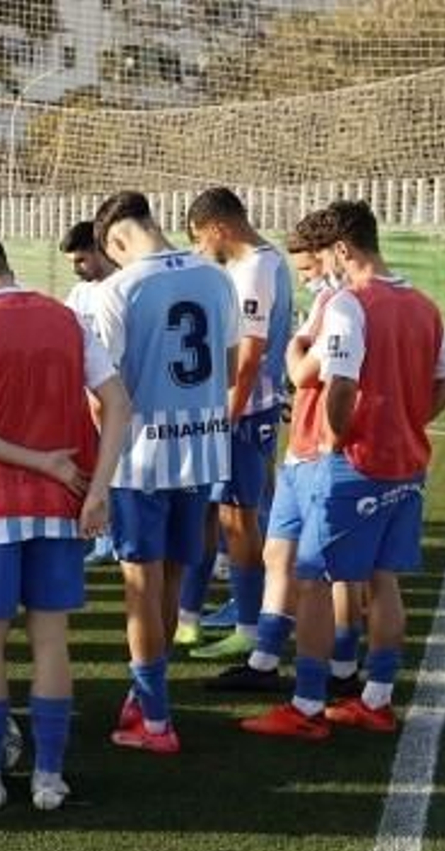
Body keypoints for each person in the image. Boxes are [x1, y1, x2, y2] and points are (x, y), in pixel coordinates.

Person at [242, 200, 445, 739]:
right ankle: (376, 698)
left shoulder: (350, 303)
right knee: (382, 579)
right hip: (405, 464)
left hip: (353, 465)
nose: (325, 266)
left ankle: (307, 706)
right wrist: (410, 421)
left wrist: (337, 437)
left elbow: (339, 384)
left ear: (342, 249)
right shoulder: (423, 304)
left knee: (314, 580)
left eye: (326, 256)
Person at [0, 231, 129, 809]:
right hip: (62, 504)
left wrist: (39, 461)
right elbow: (119, 403)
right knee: (51, 641)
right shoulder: (67, 318)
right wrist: (98, 490)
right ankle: (49, 777)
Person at [91, 191, 238, 755]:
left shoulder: (119, 289)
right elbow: (228, 368)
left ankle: (155, 722)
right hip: (202, 452)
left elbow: (103, 392)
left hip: (142, 459)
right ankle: (146, 697)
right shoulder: (217, 277)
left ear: (117, 241)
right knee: (171, 582)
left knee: (140, 589)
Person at [209, 213, 364, 695]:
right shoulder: (328, 299)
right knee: (280, 552)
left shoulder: (348, 303)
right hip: (301, 446)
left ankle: (342, 669)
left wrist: (297, 353)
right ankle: (264, 659)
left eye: (308, 268)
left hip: (325, 450)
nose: (304, 278)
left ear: (334, 253)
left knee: (334, 568)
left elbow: (303, 370)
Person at [177, 188, 294, 661]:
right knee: (207, 512)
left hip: (244, 414)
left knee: (237, 517)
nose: (200, 248)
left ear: (219, 227)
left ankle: (248, 625)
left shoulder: (257, 268)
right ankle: (186, 619)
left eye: (200, 237)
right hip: (230, 410)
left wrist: (227, 414)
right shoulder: (252, 265)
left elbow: (248, 358)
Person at [60, 220, 119, 567]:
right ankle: (104, 538)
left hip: (119, 401)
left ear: (100, 250)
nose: (77, 269)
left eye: (81, 260)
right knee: (96, 470)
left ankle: (122, 537)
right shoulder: (79, 294)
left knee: (122, 472)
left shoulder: (123, 286)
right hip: (89, 403)